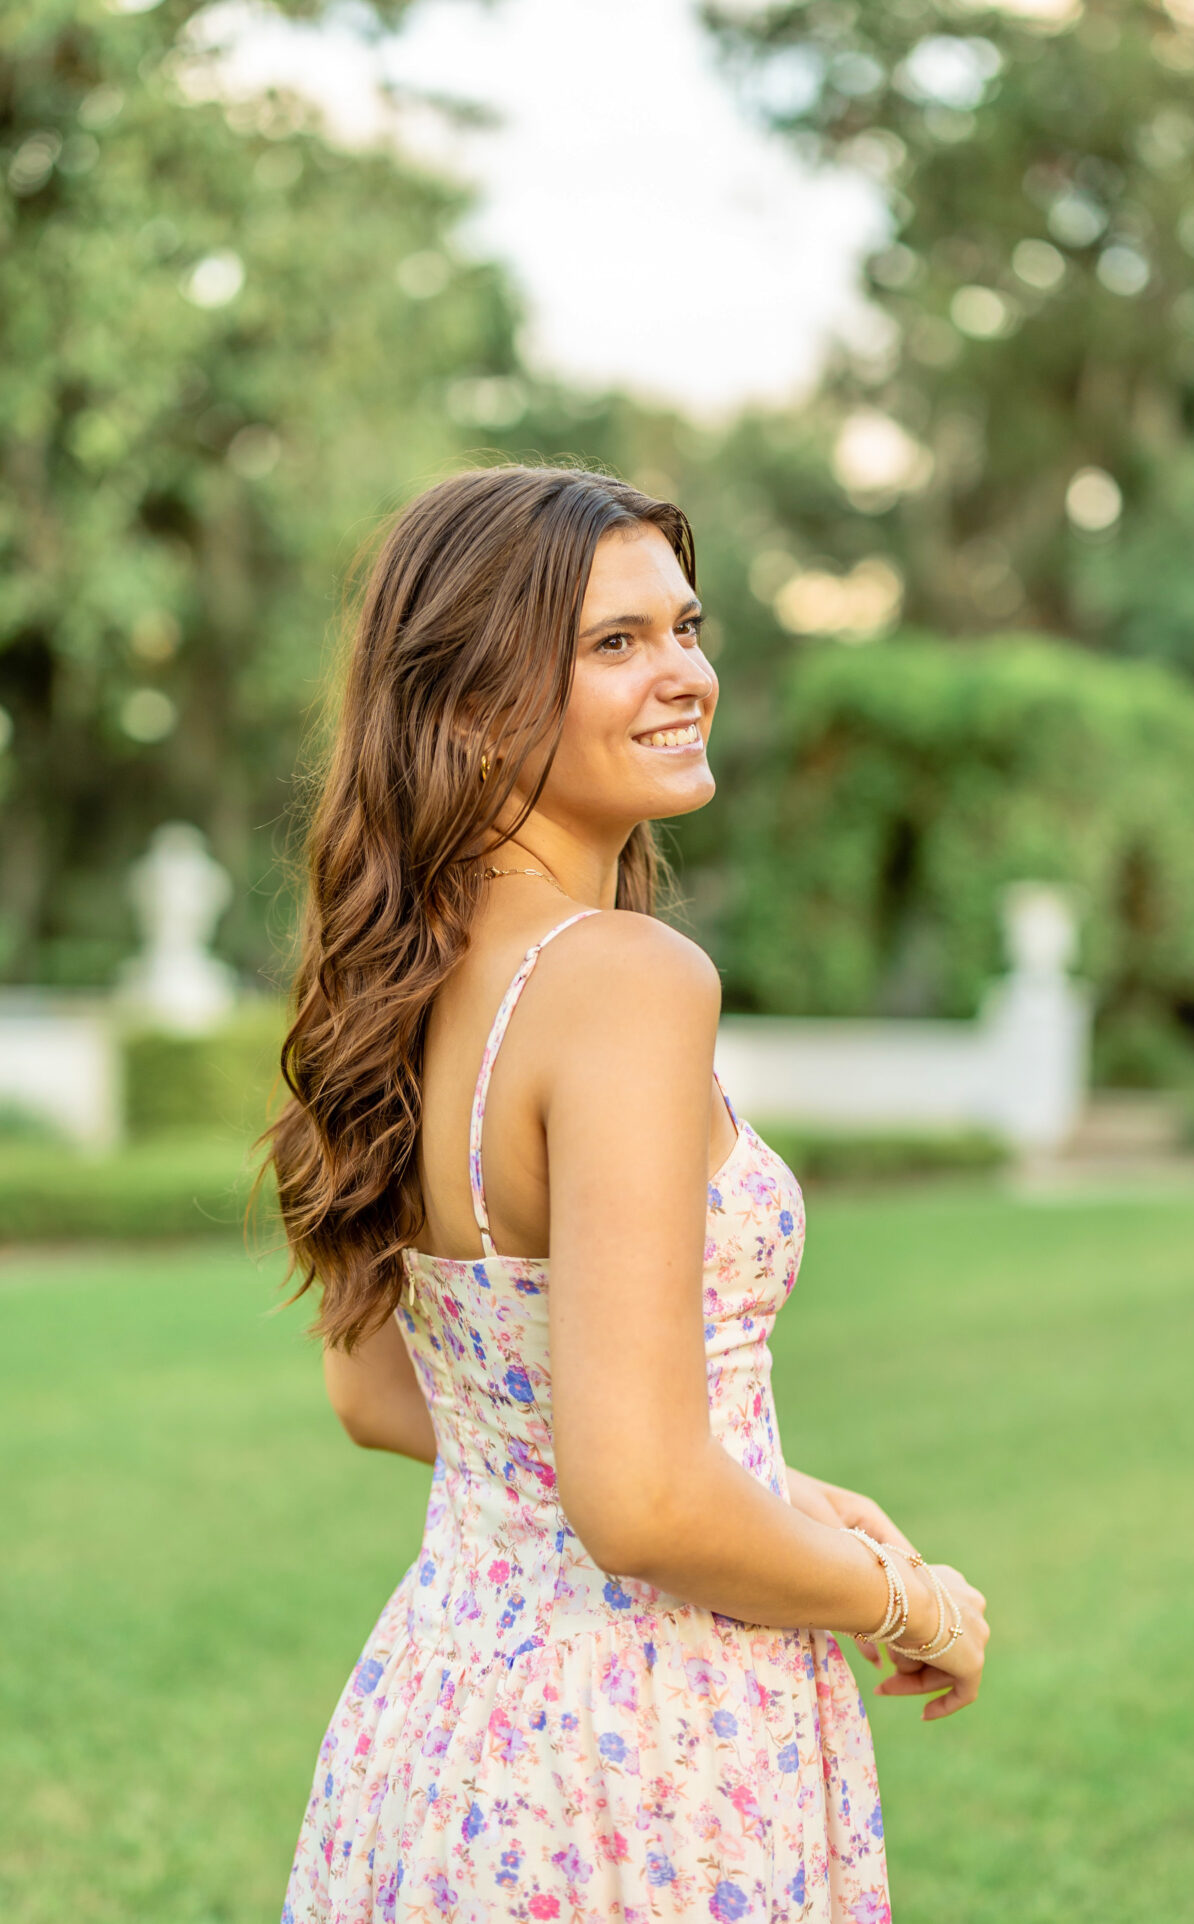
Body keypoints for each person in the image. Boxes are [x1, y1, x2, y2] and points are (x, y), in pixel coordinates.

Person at [267, 463, 989, 1924]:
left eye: (686, 627)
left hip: (444, 1729)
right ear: (474, 705)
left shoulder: (397, 981)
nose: (686, 675)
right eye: (616, 642)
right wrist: (909, 1602)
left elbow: (388, 1394)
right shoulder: (625, 981)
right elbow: (641, 1500)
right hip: (642, 1745)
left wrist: (765, 1486)